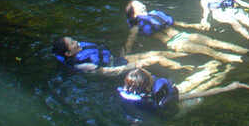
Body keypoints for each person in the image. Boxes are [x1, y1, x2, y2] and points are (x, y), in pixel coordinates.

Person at [125, 0, 249, 64]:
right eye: (137, 6)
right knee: (206, 50)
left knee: (214, 42)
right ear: (133, 15)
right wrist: (127, 53)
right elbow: (130, 41)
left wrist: (195, 26)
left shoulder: (156, 15)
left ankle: (246, 51)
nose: (142, 6)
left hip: (183, 35)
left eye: (141, 4)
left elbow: (176, 23)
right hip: (174, 43)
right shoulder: (136, 27)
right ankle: (240, 59)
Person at [117, 62, 239, 112]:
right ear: (148, 86)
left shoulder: (131, 90)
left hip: (173, 93)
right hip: (177, 107)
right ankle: (227, 70)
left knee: (194, 80)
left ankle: (216, 67)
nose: (151, 75)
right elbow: (198, 94)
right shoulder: (163, 100)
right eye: (150, 76)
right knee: (203, 89)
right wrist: (227, 88)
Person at [52, 36, 192, 76]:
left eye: (73, 40)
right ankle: (186, 68)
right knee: (156, 59)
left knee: (155, 53)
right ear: (68, 53)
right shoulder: (82, 64)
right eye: (72, 43)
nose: (76, 42)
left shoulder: (80, 49)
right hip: (114, 68)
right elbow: (105, 71)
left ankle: (184, 54)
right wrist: (132, 66)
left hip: (114, 59)